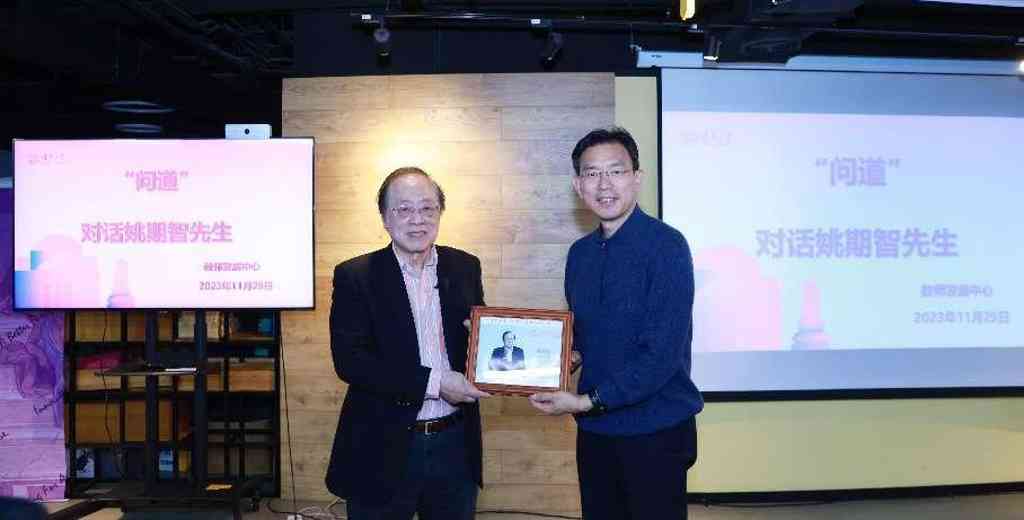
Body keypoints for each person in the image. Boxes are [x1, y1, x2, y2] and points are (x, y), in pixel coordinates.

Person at [529, 127, 704, 520]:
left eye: (616, 171)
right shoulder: (580, 254)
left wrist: (585, 401)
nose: (604, 184)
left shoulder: (667, 247)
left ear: (637, 178)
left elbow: (661, 355)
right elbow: (587, 338)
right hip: (596, 432)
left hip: (655, 432)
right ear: (578, 185)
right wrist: (560, 359)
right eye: (592, 174)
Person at [325, 167, 490, 520]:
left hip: (454, 445)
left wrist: (536, 366)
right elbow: (351, 361)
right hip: (382, 446)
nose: (418, 219)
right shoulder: (355, 275)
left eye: (428, 208)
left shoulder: (464, 267)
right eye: (404, 209)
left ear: (440, 213)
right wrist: (436, 383)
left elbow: (483, 340)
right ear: (385, 218)